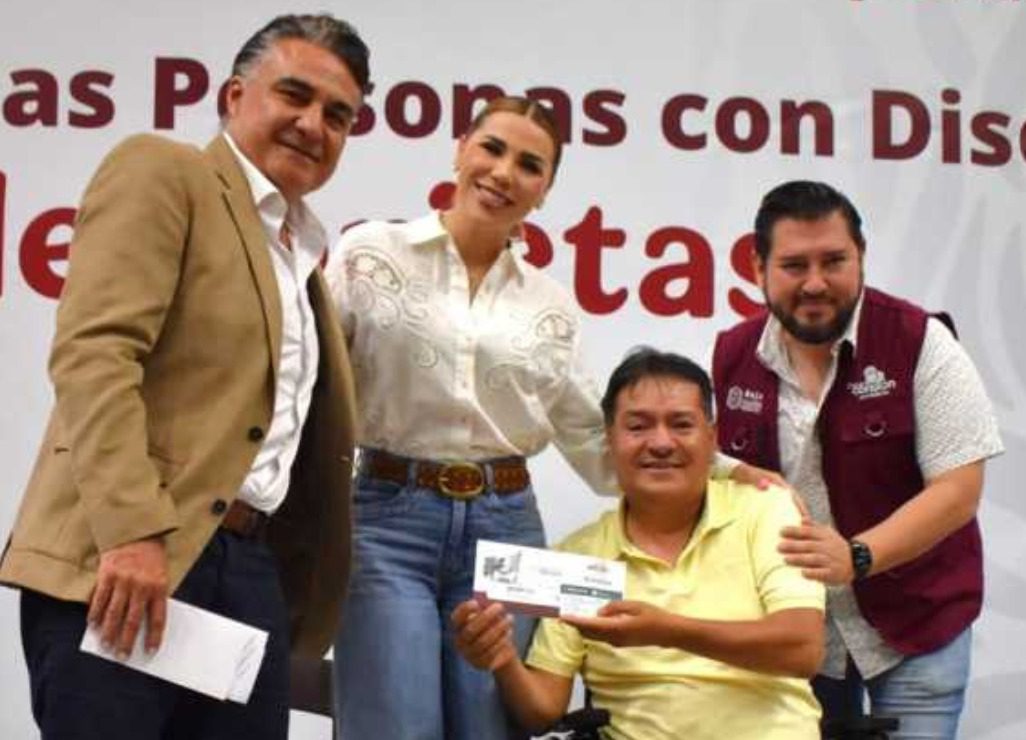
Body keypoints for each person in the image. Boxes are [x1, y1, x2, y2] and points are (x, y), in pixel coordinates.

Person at [324, 96, 777, 740]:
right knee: (393, 726)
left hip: (505, 527)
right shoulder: (369, 254)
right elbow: (313, 384)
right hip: (387, 520)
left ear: (544, 191)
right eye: (492, 148)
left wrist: (730, 471)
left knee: (492, 726)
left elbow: (595, 436)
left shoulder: (550, 305)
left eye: (530, 165)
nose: (504, 172)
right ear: (460, 150)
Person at [0, 14, 370, 739]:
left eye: (337, 115)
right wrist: (134, 532)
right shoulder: (166, 172)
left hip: (249, 570)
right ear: (234, 96)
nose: (312, 124)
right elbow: (95, 352)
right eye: (293, 95)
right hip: (134, 553)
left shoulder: (303, 258)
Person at [711, 180, 1004, 739]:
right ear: (758, 267)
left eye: (833, 261)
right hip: (794, 632)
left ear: (861, 256)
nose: (815, 282)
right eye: (794, 265)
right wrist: (736, 470)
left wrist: (858, 556)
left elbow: (958, 490)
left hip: (916, 626)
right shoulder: (730, 355)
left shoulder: (922, 342)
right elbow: (705, 464)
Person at [451, 348, 826, 740]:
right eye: (638, 427)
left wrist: (666, 631)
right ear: (609, 440)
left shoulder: (766, 510)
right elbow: (543, 710)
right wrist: (501, 658)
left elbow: (802, 649)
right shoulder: (577, 555)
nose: (661, 443)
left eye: (681, 425)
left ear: (712, 437)